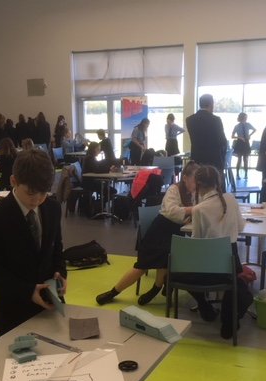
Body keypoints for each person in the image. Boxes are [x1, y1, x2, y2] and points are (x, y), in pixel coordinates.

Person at [0, 149, 66, 336]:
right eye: (31, 193)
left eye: (43, 193)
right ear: (13, 181)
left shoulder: (52, 208)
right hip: (12, 310)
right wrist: (28, 291)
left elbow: (56, 247)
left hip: (49, 305)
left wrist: (60, 272)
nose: (37, 199)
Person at [96, 161, 200, 307]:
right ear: (185, 178)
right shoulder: (174, 190)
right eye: (194, 180)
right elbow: (172, 212)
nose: (196, 184)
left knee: (167, 259)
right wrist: (194, 209)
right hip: (159, 232)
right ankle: (113, 292)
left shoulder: (194, 192)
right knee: (141, 266)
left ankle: (157, 288)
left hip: (175, 233)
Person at [185, 165, 247, 339]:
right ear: (218, 181)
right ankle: (228, 319)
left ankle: (204, 305)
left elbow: (196, 242)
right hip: (231, 265)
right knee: (234, 283)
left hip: (207, 268)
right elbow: (241, 227)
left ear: (197, 184)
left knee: (174, 272)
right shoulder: (230, 199)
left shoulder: (199, 209)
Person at [186, 94, 227, 177]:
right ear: (211, 104)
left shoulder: (189, 120)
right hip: (214, 162)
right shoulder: (216, 120)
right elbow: (222, 141)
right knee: (213, 184)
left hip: (197, 161)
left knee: (198, 183)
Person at [231, 112, 256, 179]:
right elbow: (232, 136)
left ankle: (246, 174)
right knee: (239, 159)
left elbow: (254, 130)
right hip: (239, 143)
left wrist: (249, 135)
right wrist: (239, 137)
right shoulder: (237, 126)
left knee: (245, 159)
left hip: (246, 142)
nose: (246, 118)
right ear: (242, 118)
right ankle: (237, 175)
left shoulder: (248, 124)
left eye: (246, 117)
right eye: (245, 117)